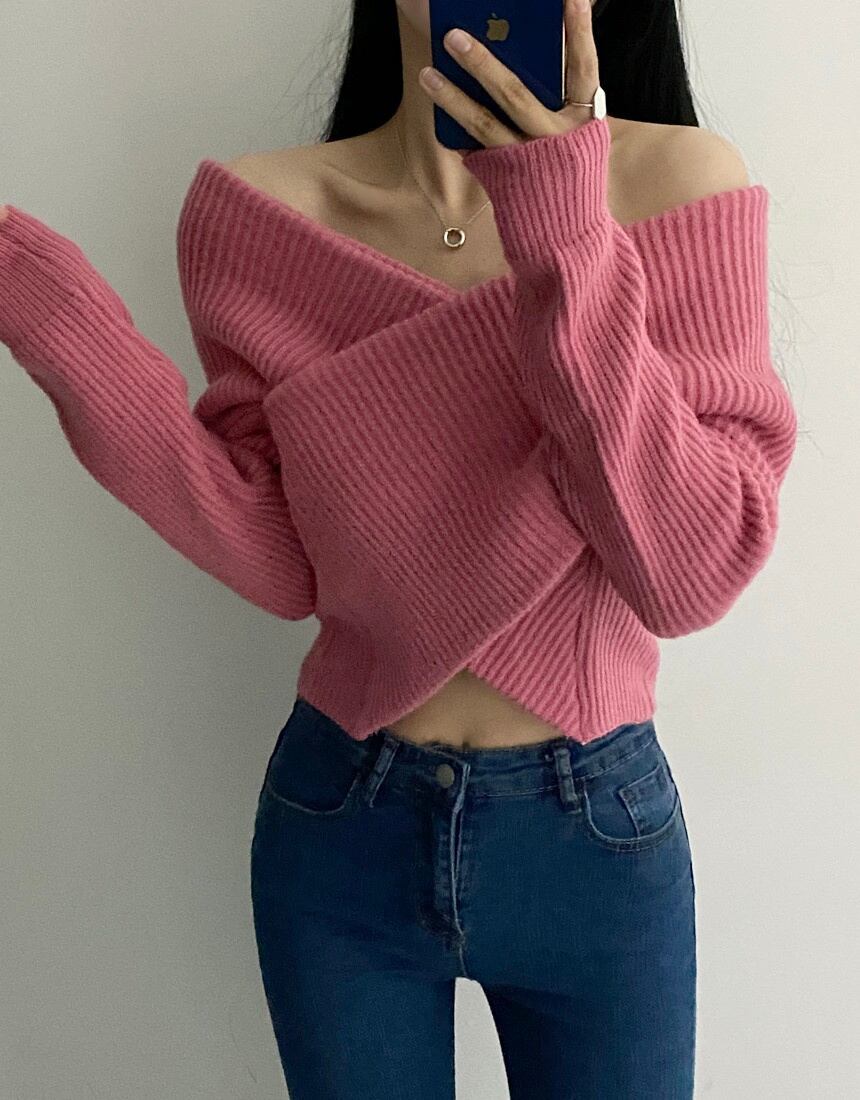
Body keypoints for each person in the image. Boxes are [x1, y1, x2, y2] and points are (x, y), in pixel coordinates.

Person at [0, 1, 798, 1096]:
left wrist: (564, 226)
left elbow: (688, 571)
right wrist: (60, 331)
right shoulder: (262, 214)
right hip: (344, 817)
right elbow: (288, 562)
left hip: (594, 828)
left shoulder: (678, 183)